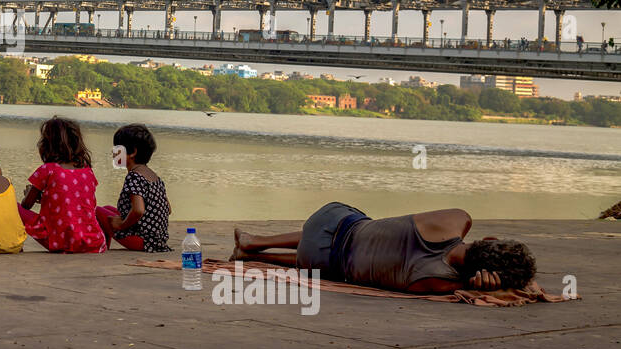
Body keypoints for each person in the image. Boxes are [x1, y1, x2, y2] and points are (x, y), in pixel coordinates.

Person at [229, 202, 536, 293]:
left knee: (357, 229)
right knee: (341, 257)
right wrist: (480, 286)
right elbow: (461, 286)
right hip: (317, 265)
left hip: (326, 222)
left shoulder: (457, 220)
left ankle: (255, 242)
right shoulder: (437, 281)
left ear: (490, 241)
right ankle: (249, 252)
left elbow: (469, 227)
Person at [18, 117, 107, 253]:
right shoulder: (87, 171)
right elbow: (76, 203)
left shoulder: (47, 170)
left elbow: (26, 205)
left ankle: (15, 246)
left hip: (61, 242)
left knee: (14, 207)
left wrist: (29, 193)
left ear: (46, 144)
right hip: (93, 241)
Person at [96, 124, 173, 252]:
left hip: (143, 241)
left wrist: (121, 224)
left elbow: (138, 210)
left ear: (132, 152)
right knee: (107, 209)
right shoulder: (153, 176)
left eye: (117, 149)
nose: (113, 152)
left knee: (98, 211)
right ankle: (105, 245)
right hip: (157, 240)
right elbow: (168, 209)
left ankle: (102, 247)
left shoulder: (134, 176)